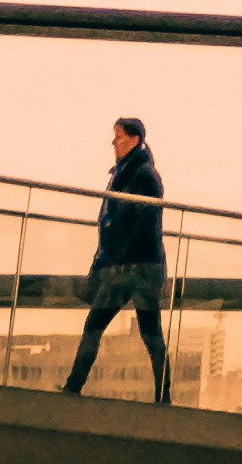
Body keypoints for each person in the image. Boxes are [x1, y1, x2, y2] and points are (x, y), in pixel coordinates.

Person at [61, 115, 170, 401]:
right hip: (138, 267)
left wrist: (112, 264)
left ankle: (73, 388)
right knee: (149, 333)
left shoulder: (141, 175)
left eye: (119, 137)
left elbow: (136, 227)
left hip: (134, 268)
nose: (114, 143)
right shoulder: (131, 172)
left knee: (103, 326)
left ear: (134, 140)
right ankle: (163, 396)